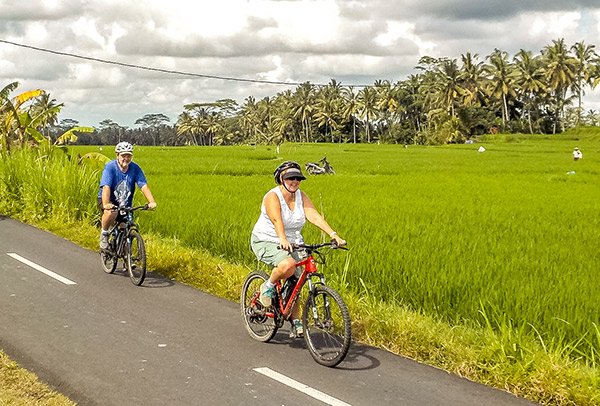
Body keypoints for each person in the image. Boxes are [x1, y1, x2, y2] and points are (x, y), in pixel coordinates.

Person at [250, 161, 346, 338]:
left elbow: (314, 216)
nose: (294, 181)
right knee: (288, 265)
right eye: (290, 178)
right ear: (281, 179)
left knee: (298, 279)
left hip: (294, 242)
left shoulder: (301, 196)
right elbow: (276, 220)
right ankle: (268, 287)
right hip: (267, 240)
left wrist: (334, 234)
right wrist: (283, 239)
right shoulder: (272, 196)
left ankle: (295, 321)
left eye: (298, 178)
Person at [98, 142, 157, 250]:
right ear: (117, 155)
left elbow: (143, 185)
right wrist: (106, 204)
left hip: (124, 202)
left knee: (125, 228)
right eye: (123, 155)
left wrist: (151, 202)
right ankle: (104, 234)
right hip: (107, 199)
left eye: (129, 156)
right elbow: (106, 187)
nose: (126, 158)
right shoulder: (110, 168)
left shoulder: (135, 168)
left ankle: (127, 260)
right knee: (112, 212)